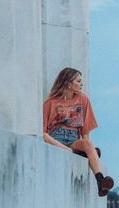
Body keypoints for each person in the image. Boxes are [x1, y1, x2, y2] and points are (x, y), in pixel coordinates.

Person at [43, 67, 114, 197]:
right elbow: (44, 133)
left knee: (88, 144)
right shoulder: (50, 103)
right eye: (78, 81)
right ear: (68, 84)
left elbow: (85, 129)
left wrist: (88, 148)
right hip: (56, 137)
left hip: (74, 137)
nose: (82, 84)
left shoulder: (83, 99)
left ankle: (101, 181)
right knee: (84, 147)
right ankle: (77, 153)